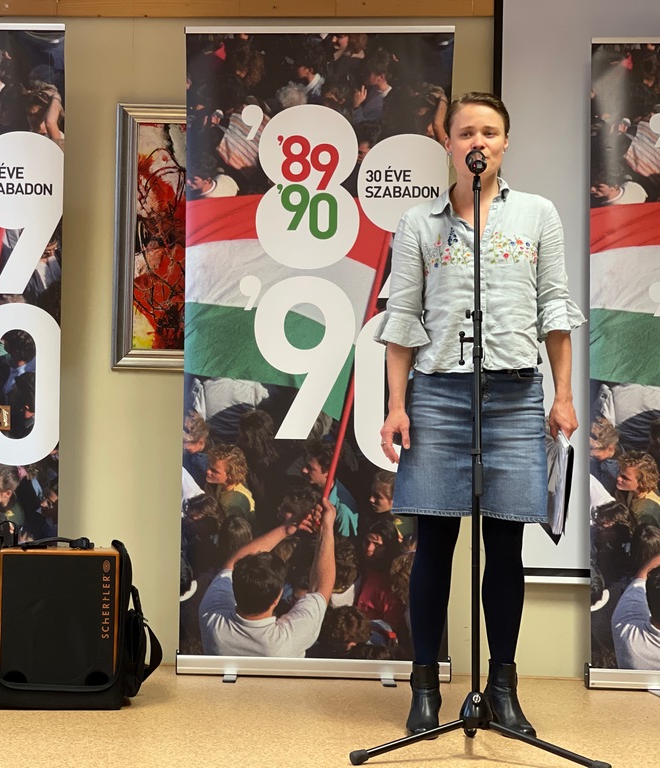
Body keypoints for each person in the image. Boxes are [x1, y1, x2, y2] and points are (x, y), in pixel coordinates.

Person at [375, 92, 585, 738]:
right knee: (434, 543)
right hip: (438, 395)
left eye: (490, 132)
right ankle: (424, 685)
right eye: (467, 131)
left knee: (505, 546)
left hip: (516, 396)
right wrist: (395, 406)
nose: (479, 141)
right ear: (449, 142)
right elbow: (401, 320)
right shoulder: (418, 224)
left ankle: (502, 687)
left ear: (505, 142)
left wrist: (563, 395)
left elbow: (555, 309)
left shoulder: (538, 215)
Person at [198, 497, 336, 657]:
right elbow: (321, 588)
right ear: (277, 599)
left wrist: (286, 529)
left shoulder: (212, 620)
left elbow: (232, 563)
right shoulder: (286, 640)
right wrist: (326, 528)